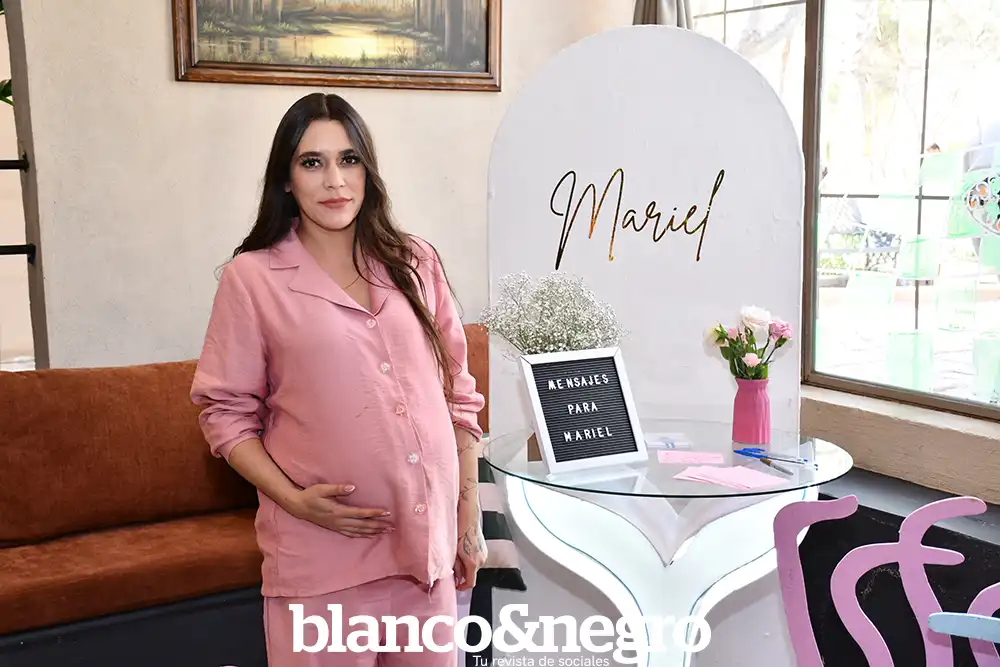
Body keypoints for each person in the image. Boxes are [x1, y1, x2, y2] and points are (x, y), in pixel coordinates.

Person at [190, 92, 488, 666]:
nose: (335, 180)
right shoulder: (252, 279)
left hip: (426, 560)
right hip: (321, 564)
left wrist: (465, 519)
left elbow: (459, 397)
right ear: (286, 179)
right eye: (312, 162)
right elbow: (225, 417)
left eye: (349, 159)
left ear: (368, 170)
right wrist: (295, 501)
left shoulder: (416, 262)